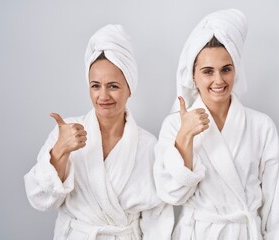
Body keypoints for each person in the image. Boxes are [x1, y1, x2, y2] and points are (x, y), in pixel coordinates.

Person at [154, 9, 279, 240]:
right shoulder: (175, 125)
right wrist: (184, 137)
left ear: (236, 71)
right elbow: (171, 195)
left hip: (245, 233)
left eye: (226, 69)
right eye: (207, 71)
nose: (219, 80)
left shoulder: (261, 126)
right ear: (193, 76)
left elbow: (278, 205)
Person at [24, 24, 173, 240]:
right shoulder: (66, 132)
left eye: (113, 86)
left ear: (129, 88)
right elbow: (39, 199)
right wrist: (59, 152)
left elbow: (157, 217)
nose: (103, 96)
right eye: (95, 86)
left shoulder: (148, 145)